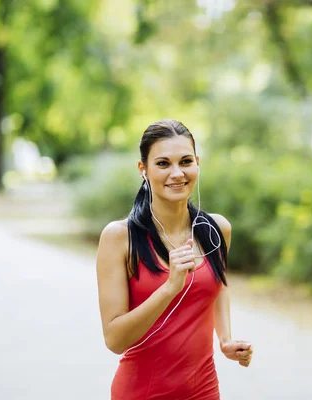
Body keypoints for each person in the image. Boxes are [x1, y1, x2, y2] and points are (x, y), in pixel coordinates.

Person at [96, 119, 253, 400]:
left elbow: (218, 286)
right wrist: (169, 288)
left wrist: (225, 338)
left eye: (186, 161)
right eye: (163, 163)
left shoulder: (216, 231)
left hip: (203, 390)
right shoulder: (120, 238)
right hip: (142, 392)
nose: (177, 173)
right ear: (143, 169)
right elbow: (114, 339)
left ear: (197, 164)